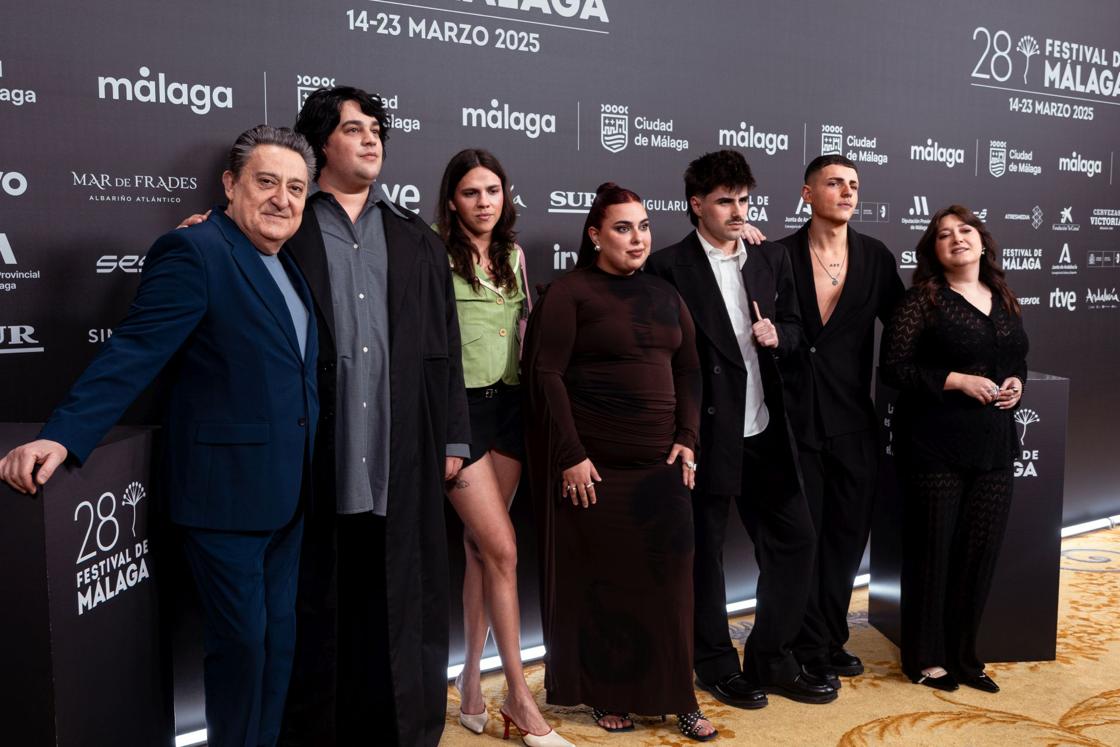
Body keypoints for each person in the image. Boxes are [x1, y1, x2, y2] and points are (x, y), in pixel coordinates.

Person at [0, 125, 319, 747]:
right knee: (243, 652)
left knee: (279, 646)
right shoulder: (195, 251)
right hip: (225, 497)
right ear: (231, 185)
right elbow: (135, 351)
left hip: (289, 491)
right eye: (266, 182)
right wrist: (62, 435)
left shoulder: (286, 265)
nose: (283, 198)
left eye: (296, 188)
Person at [281, 87, 469, 746]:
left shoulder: (417, 237)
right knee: (321, 607)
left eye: (377, 129)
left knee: (397, 603)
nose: (371, 139)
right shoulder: (286, 226)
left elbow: (444, 346)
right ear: (320, 143)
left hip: (403, 456)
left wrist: (453, 435)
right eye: (354, 128)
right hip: (312, 461)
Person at [524, 183, 715, 741]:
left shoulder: (664, 293)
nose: (637, 238)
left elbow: (691, 369)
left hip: (661, 470)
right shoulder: (569, 292)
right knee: (607, 587)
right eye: (623, 228)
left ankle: (679, 696)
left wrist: (689, 434)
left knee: (672, 587)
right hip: (596, 472)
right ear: (595, 235)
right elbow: (546, 376)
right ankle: (611, 695)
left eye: (645, 227)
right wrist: (571, 455)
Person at [645, 149, 836, 708]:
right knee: (705, 555)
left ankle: (772, 657)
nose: (736, 211)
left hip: (766, 429)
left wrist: (783, 335)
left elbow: (801, 331)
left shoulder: (767, 257)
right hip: (705, 435)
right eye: (724, 201)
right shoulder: (667, 268)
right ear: (696, 204)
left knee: (796, 540)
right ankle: (714, 663)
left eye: (744, 200)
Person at [436, 148, 570, 747]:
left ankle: (468, 679)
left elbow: (522, 334)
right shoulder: (432, 254)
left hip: (509, 409)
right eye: (471, 193)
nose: (484, 202)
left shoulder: (513, 255)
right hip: (459, 415)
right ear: (451, 201)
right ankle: (517, 696)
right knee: (504, 550)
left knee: (479, 552)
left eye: (493, 191)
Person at [880, 204, 1028, 694]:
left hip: (994, 446)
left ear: (982, 243)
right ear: (934, 251)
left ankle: (964, 655)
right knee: (932, 551)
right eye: (944, 234)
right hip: (934, 444)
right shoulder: (923, 300)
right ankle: (924, 657)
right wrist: (956, 380)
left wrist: (1016, 385)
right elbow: (895, 368)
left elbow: (1017, 360)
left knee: (978, 553)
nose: (957, 238)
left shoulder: (1002, 296)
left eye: (965, 230)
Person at [776, 155, 904, 685]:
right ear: (808, 193)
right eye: (834, 183)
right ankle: (803, 643)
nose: (847, 192)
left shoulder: (874, 256)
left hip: (855, 421)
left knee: (847, 538)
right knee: (804, 536)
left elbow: (905, 329)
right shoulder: (777, 254)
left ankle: (830, 637)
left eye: (853, 184)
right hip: (794, 420)